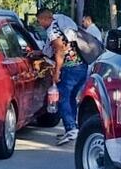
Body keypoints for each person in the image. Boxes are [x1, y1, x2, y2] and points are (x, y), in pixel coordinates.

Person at [37, 8, 87, 145]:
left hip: (70, 69)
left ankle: (71, 129)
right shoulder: (61, 26)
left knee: (63, 98)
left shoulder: (53, 30)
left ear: (45, 18)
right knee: (70, 98)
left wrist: (57, 72)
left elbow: (59, 52)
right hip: (81, 67)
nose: (40, 24)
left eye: (40, 21)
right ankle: (72, 128)